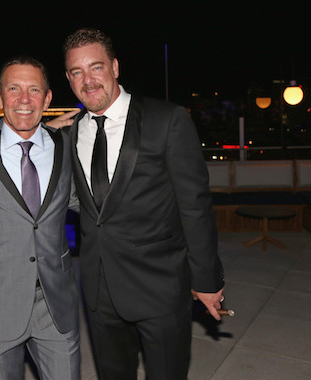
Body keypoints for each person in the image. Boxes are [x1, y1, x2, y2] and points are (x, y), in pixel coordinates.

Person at [62, 27, 225, 379]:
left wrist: (207, 279)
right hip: (99, 289)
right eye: (77, 72)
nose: (87, 80)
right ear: (68, 78)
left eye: (96, 67)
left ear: (115, 67)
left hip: (160, 287)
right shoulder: (72, 132)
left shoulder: (166, 120)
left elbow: (194, 206)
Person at [0, 57, 80, 380]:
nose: (24, 99)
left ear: (47, 99)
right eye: (13, 89)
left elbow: (92, 203)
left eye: (34, 90)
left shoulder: (65, 147)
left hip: (56, 304)